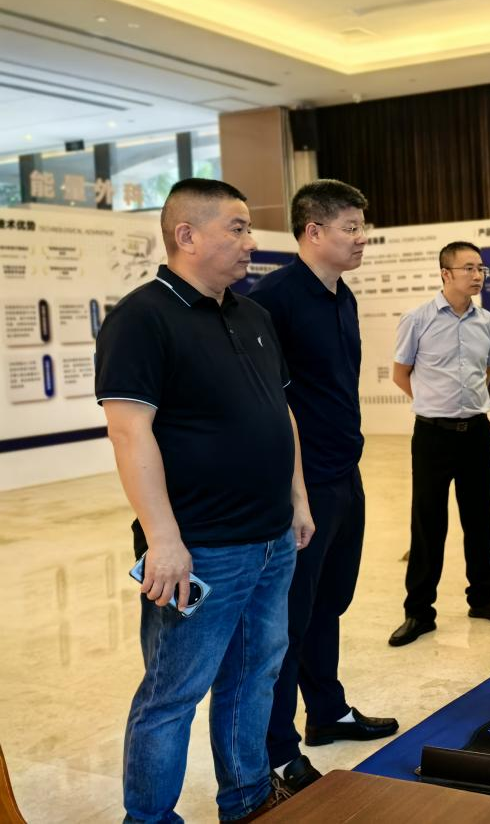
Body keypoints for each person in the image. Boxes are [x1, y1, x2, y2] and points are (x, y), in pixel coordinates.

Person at [95, 178, 314, 823]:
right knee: (173, 694)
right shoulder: (141, 318)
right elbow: (129, 433)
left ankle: (246, 799)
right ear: (187, 235)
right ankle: (150, 819)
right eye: (237, 229)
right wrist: (163, 540)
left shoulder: (253, 315)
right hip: (200, 549)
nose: (251, 242)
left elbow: (281, 414)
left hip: (272, 539)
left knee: (255, 675)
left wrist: (297, 499)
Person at [248, 180, 397, 795]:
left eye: (363, 228)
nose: (361, 239)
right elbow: (267, 401)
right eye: (350, 228)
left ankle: (327, 711)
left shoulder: (343, 295)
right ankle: (277, 750)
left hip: (344, 472)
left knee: (329, 603)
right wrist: (294, 491)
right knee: (288, 619)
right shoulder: (272, 300)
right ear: (313, 232)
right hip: (302, 484)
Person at [389, 241, 490, 646]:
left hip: (477, 433)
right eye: (468, 268)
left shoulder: (489, 322)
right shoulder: (418, 319)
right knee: (428, 523)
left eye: (481, 268)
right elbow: (400, 373)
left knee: (479, 519)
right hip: (432, 435)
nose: (478, 275)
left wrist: (465, 406)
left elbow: (488, 372)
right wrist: (434, 403)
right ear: (445, 274)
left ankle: (483, 597)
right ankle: (419, 612)